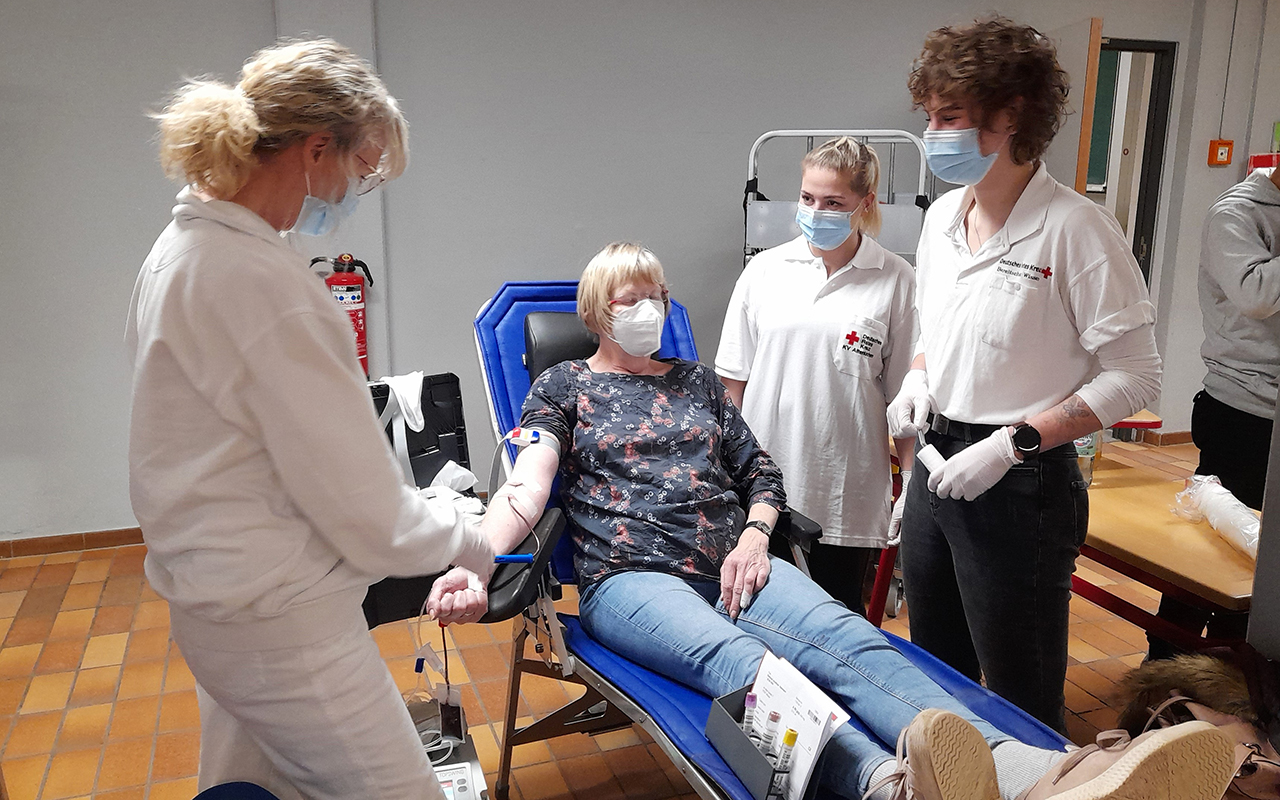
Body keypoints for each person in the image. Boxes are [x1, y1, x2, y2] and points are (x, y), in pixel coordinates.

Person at [429, 242, 1232, 800]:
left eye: (658, 295)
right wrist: (476, 560)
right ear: (598, 311)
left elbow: (761, 473)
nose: (650, 309)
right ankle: (890, 784)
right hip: (630, 581)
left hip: (735, 559)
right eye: (631, 299)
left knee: (849, 641)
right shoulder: (562, 388)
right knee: (735, 659)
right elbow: (525, 493)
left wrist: (753, 535)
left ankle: (1022, 772)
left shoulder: (699, 383)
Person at [127, 39, 492, 799]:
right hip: (283, 628)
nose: (357, 191)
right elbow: (370, 519)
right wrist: (468, 540)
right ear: (316, 148)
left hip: (217, 605)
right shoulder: (266, 287)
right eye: (362, 171)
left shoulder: (182, 248)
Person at [890, 17, 1163, 733]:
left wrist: (1013, 442)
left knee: (1019, 693)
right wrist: (919, 378)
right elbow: (936, 332)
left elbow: (1135, 378)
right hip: (937, 466)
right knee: (938, 676)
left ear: (1009, 115)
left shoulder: (1077, 229)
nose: (932, 134)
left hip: (1019, 482)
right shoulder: (945, 217)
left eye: (948, 117)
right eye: (929, 116)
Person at [716, 137, 917, 615]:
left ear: (865, 204)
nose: (816, 211)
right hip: (762, 492)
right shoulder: (764, 272)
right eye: (807, 198)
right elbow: (731, 390)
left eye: (833, 202)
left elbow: (907, 397)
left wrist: (910, 480)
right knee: (755, 622)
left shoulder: (895, 278)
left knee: (834, 630)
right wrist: (726, 475)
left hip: (845, 492)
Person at [1147, 166, 1280, 660]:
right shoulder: (1237, 212)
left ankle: (1238, 663)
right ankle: (1164, 660)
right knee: (1214, 543)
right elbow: (1256, 294)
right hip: (1243, 407)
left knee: (1262, 557)